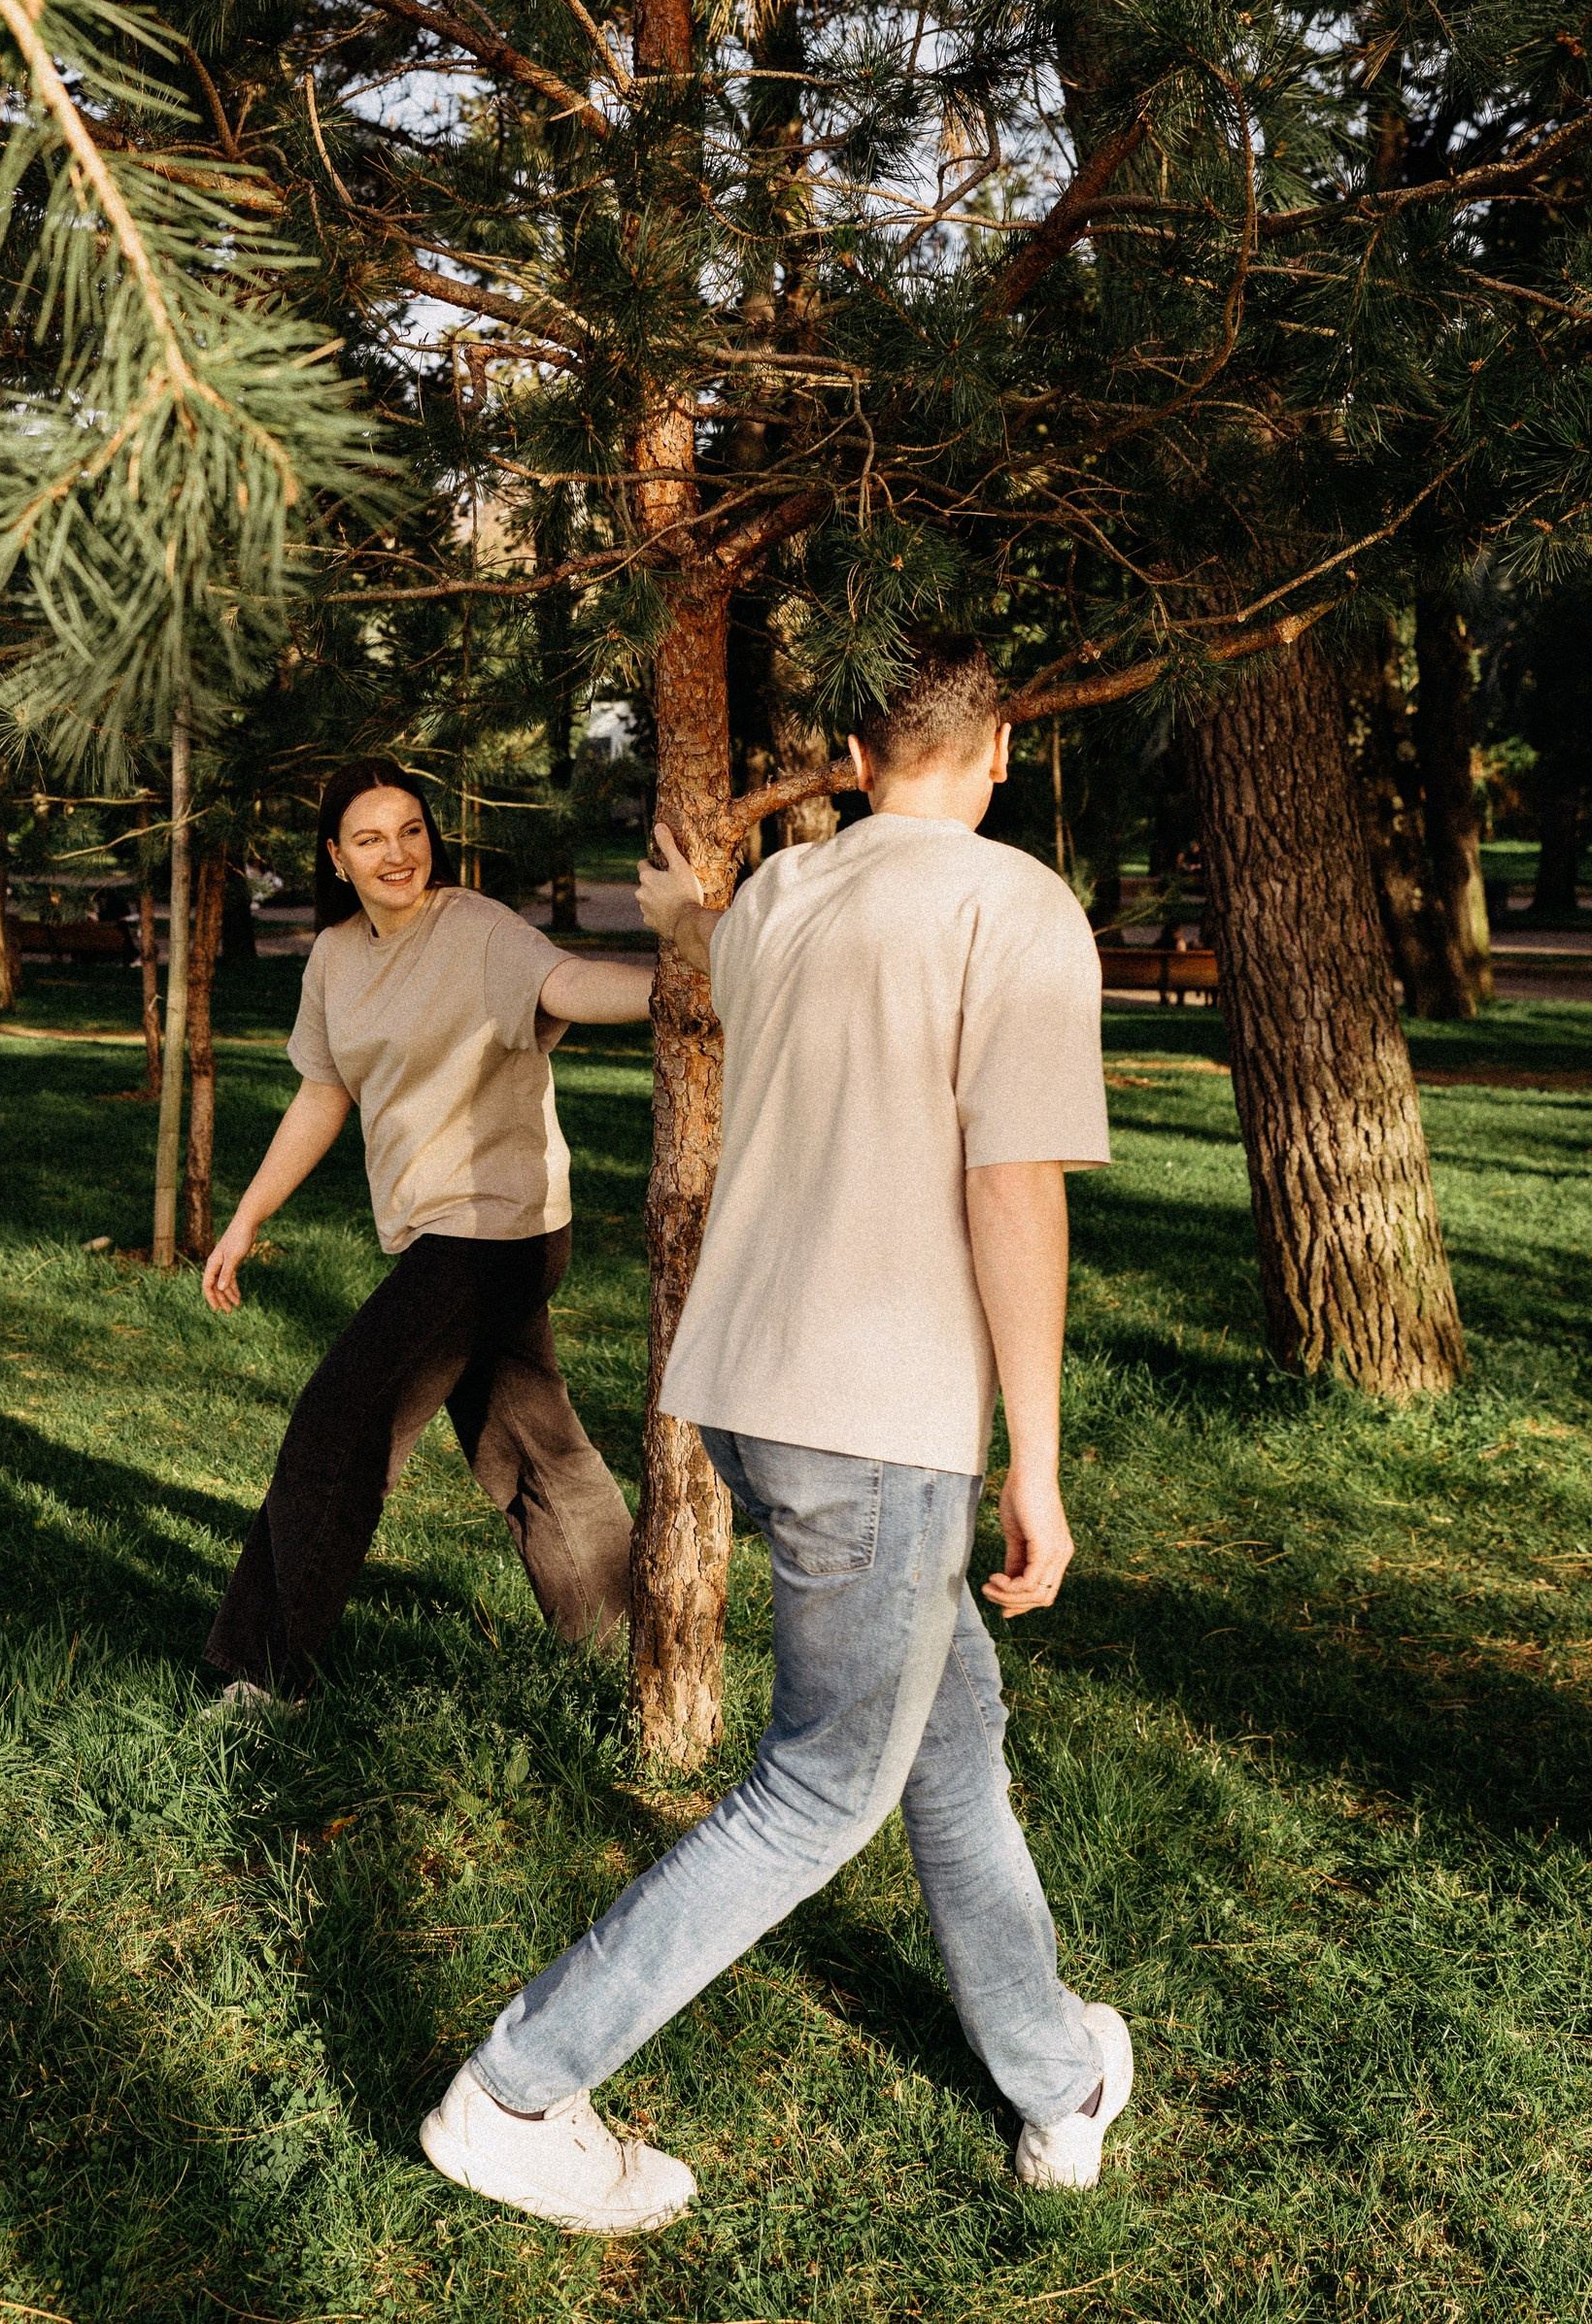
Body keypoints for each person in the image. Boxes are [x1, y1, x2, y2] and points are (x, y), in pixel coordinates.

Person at [420, 634, 1131, 2232]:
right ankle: (517, 2093)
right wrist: (1036, 1462)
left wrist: (683, 914)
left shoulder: (795, 899)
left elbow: (724, 957)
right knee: (818, 1791)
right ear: (1001, 749)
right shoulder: (1016, 907)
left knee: (945, 1749)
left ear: (860, 760)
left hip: (745, 1391)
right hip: (874, 1420)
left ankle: (1052, 2072)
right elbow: (1010, 1187)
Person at [199, 756, 654, 1702]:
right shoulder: (336, 958)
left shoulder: (476, 930)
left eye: (409, 829)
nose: (395, 852)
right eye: (369, 838)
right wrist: (244, 1220)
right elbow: (322, 1094)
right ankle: (630, 1655)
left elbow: (566, 984)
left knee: (341, 1418)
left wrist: (673, 986)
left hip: (498, 1230)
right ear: (335, 855)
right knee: (528, 1445)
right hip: (435, 1233)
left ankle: (262, 1674)